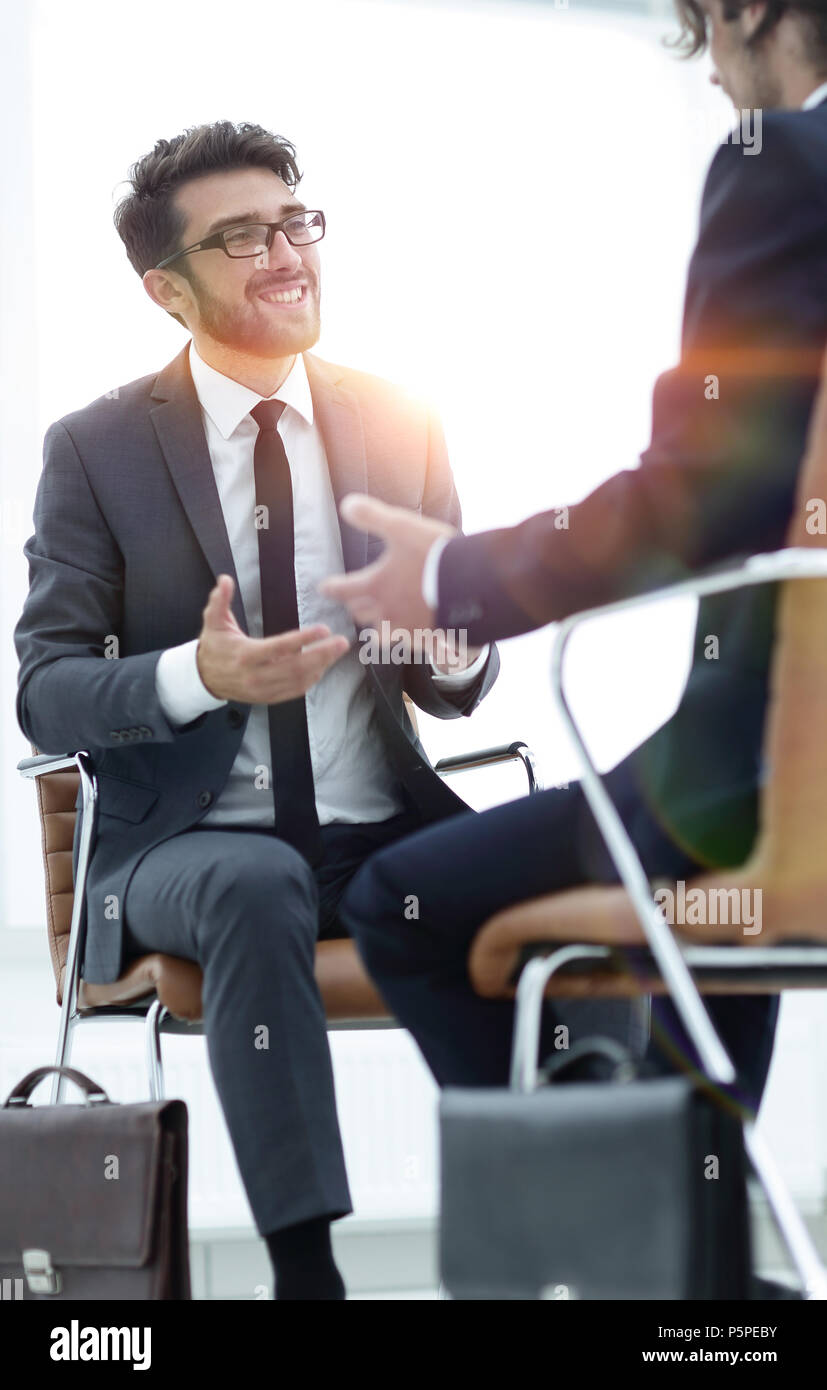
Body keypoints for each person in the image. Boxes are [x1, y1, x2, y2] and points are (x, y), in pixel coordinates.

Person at [13, 120, 499, 1299]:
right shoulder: (96, 449)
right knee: (256, 880)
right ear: (165, 288)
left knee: (582, 860)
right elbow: (46, 688)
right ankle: (306, 1276)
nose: (286, 253)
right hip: (186, 854)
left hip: (383, 832)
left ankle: (589, 1235)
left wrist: (445, 634)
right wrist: (198, 674)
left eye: (295, 221)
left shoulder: (400, 420)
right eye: (241, 238)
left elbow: (461, 668)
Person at [326, 0, 827, 1112]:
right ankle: (687, 1244)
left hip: (764, 785)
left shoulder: (781, 163)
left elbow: (702, 493)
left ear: (747, 8)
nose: (706, 75)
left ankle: (589, 1244)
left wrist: (452, 584)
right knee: (692, 956)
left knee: (399, 905)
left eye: (699, 31)